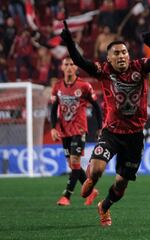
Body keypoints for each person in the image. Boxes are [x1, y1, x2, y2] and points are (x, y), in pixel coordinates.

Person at [60, 21, 150, 226]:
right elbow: (80, 61)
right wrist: (69, 42)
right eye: (116, 53)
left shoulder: (140, 66)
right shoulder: (104, 70)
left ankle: (104, 206)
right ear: (109, 58)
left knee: (120, 186)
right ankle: (91, 179)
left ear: (129, 55)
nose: (121, 56)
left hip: (135, 136)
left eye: (124, 52)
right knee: (98, 170)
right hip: (111, 132)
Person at [51, 57, 102, 206]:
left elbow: (97, 107)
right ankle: (91, 190)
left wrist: (100, 127)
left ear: (76, 68)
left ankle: (66, 196)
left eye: (72, 64)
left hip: (79, 129)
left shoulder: (84, 86)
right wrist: (54, 127)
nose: (69, 67)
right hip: (64, 130)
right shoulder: (58, 86)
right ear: (62, 67)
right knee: (72, 164)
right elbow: (54, 109)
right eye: (66, 64)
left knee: (74, 162)